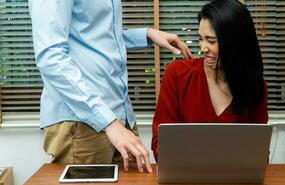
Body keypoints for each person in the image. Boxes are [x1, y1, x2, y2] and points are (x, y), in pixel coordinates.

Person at [28, 0, 193, 173]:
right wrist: (109, 123)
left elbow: (95, 36)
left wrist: (146, 34)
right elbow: (50, 58)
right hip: (84, 121)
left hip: (117, 117)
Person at [152, 0, 268, 162]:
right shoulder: (177, 74)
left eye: (211, 41)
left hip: (237, 184)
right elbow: (161, 147)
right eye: (200, 39)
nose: (203, 48)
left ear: (236, 42)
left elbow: (258, 152)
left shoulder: (255, 86)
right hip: (185, 181)